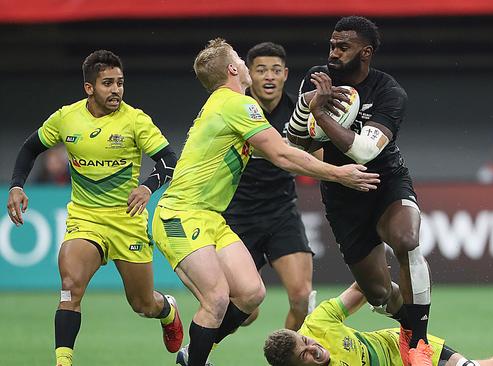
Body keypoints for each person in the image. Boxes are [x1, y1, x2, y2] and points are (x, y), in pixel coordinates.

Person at [149, 38, 379, 366]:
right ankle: (196, 360)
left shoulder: (222, 106)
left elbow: (280, 147)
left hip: (211, 217)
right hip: (181, 214)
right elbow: (282, 155)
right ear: (232, 69)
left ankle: (194, 355)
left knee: (250, 294)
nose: (246, 65)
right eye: (242, 61)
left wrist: (310, 124)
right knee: (215, 300)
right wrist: (340, 173)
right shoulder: (236, 104)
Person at [6, 50, 183, 366]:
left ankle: (166, 309)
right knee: (70, 289)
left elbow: (170, 160)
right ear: (89, 88)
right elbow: (31, 147)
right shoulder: (67, 118)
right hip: (84, 219)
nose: (116, 90)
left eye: (120, 83)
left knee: (142, 304)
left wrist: (147, 187)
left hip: (126, 220)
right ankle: (63, 361)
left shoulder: (135, 120)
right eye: (107, 83)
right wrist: (17, 185)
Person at [287, 16, 432, 365]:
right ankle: (405, 322)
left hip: (385, 180)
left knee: (406, 240)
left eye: (343, 47)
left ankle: (418, 342)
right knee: (378, 293)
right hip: (342, 194)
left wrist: (321, 115)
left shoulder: (389, 93)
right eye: (332, 45)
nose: (333, 53)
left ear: (365, 52)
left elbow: (366, 151)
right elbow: (294, 139)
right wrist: (308, 108)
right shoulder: (317, 78)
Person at [263, 282, 493, 366]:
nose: (314, 346)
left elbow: (361, 288)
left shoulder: (318, 322)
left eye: (305, 340)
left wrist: (390, 296)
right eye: (305, 354)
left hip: (411, 346)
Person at [223, 42, 315, 331]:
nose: (269, 77)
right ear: (249, 74)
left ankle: (286, 356)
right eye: (261, 70)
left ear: (286, 74)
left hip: (281, 214)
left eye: (276, 70)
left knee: (302, 297)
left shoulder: (298, 113)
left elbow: (316, 156)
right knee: (245, 311)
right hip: (237, 215)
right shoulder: (234, 108)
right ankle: (199, 352)